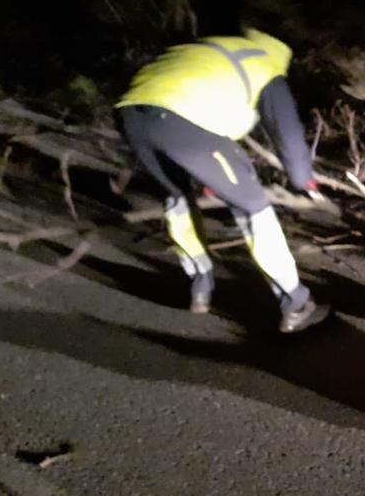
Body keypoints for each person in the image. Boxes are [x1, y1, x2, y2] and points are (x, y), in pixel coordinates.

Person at [116, 27, 328, 332]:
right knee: (254, 208)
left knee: (177, 199)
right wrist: (303, 179)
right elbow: (288, 134)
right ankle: (296, 304)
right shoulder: (266, 66)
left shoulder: (219, 48)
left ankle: (200, 287)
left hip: (133, 116)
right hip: (184, 120)